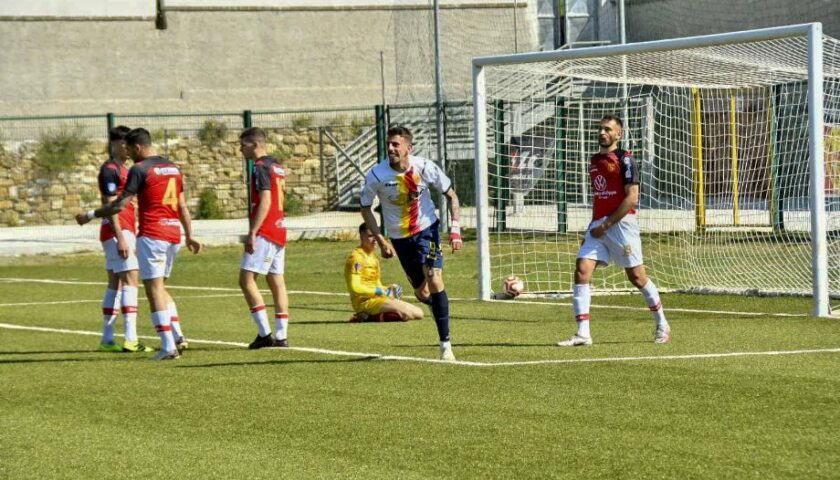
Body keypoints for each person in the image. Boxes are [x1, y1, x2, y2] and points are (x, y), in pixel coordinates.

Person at [76, 127, 201, 360]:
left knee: (152, 289)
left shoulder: (139, 168)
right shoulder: (173, 167)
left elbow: (119, 205)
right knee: (155, 286)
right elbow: (183, 206)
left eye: (131, 150)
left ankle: (166, 346)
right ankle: (175, 337)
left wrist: (91, 214)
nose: (130, 155)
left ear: (137, 148)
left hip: (152, 234)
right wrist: (190, 234)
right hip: (174, 235)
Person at [557, 115, 670, 347]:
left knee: (637, 277)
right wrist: (597, 224)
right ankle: (583, 333)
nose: (602, 132)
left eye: (608, 129)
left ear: (619, 134)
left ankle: (662, 323)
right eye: (600, 129)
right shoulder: (594, 160)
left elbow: (632, 198)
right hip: (598, 225)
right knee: (582, 270)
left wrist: (607, 225)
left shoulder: (625, 159)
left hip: (621, 225)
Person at [359, 126, 463, 361]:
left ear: (409, 147)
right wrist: (381, 240)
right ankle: (435, 304)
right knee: (421, 290)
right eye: (389, 144)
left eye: (396, 144)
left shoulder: (424, 167)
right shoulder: (376, 175)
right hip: (400, 239)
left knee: (434, 277)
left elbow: (451, 195)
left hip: (427, 230)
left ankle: (445, 344)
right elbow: (365, 208)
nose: (391, 148)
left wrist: (455, 230)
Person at [94, 125, 152, 353]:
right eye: (124, 144)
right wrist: (121, 236)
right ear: (115, 144)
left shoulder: (123, 168)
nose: (127, 148)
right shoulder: (110, 169)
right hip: (118, 231)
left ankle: (107, 339)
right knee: (131, 280)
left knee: (115, 283)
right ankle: (131, 338)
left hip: (122, 230)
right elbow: (109, 205)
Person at [237, 127, 291, 349]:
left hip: (266, 231)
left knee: (246, 280)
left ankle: (265, 333)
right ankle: (281, 336)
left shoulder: (260, 167)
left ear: (255, 144)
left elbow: (266, 201)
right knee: (276, 281)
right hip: (280, 228)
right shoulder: (276, 165)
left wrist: (252, 232)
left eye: (243, 144)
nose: (241, 149)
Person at [345, 223, 424, 323]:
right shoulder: (356, 257)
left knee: (419, 313)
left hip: (377, 299)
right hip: (364, 303)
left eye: (376, 236)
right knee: (406, 314)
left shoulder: (373, 258)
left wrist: (389, 288)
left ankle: (367, 317)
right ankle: (362, 316)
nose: (375, 239)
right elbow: (355, 287)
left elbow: (376, 284)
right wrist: (379, 291)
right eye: (370, 236)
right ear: (361, 237)